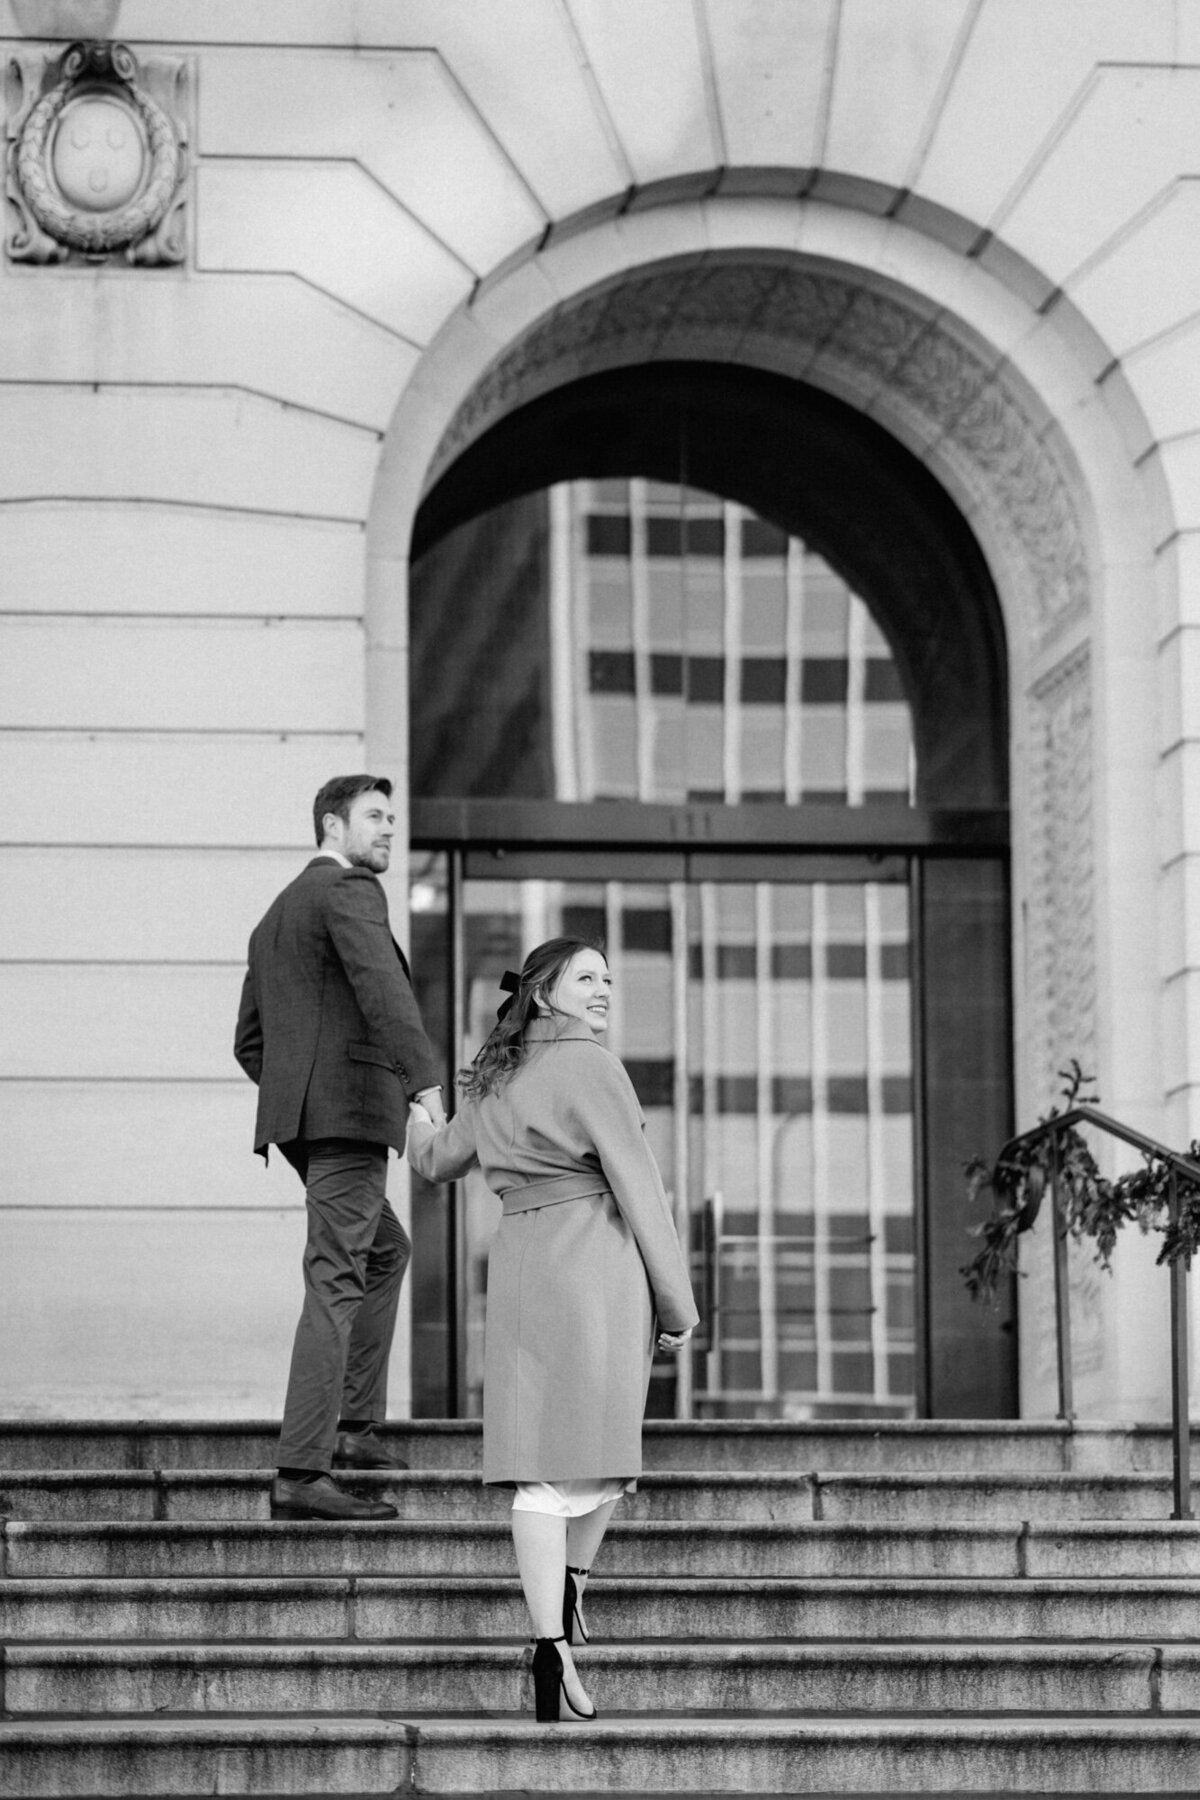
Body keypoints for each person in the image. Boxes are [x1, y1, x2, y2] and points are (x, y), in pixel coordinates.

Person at [407, 937, 698, 1722]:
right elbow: (640, 1185)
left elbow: (435, 1161)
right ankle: (567, 1602)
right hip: (597, 1263)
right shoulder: (593, 1065)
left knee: (538, 1465)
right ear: (544, 993)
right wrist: (678, 1303)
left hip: (523, 1267)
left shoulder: (494, 1075)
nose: (604, 987)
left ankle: (550, 1645)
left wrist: (419, 1112)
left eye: (608, 976)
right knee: (605, 1449)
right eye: (587, 977)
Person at [234, 774, 446, 1522]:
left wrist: (301, 1094)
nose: (390, 828)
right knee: (336, 1277)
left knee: (384, 1253)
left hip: (304, 1120)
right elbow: (385, 990)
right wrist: (424, 1087)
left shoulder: (273, 918)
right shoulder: (349, 893)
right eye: (375, 817)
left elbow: (249, 1043)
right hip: (352, 1116)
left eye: (393, 815)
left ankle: (354, 1428)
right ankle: (302, 1468)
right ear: (333, 825)